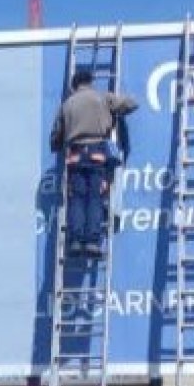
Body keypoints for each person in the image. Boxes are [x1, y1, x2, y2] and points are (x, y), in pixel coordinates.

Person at [50, 68, 138, 257]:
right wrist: (116, 112)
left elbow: (55, 137)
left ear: (74, 85)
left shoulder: (67, 104)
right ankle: (92, 242)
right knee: (95, 199)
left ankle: (75, 241)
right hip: (97, 154)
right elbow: (131, 104)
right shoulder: (102, 98)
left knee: (77, 199)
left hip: (75, 155)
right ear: (90, 82)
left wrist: (60, 144)